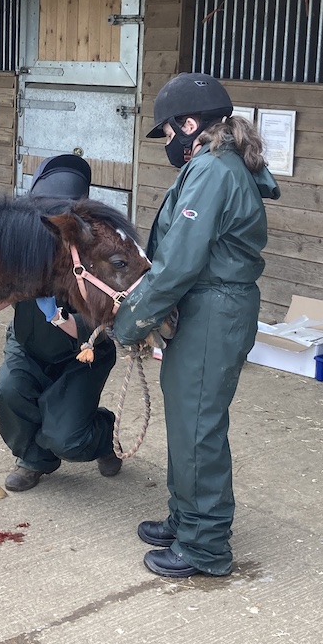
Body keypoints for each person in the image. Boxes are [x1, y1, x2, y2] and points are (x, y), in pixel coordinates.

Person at [111, 73, 280, 579]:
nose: (167, 143)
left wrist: (129, 319)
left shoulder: (212, 170)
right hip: (207, 309)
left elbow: (179, 263)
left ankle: (205, 546)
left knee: (199, 428)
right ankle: (186, 518)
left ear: (189, 124)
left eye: (166, 132)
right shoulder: (217, 164)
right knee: (189, 421)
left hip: (214, 311)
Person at [0, 154, 123, 492]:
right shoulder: (18, 246)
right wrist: (18, 288)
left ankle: (103, 434)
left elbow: (106, 322)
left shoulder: (97, 251)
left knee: (67, 438)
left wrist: (57, 315)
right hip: (28, 348)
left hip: (81, 356)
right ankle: (34, 459)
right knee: (8, 394)